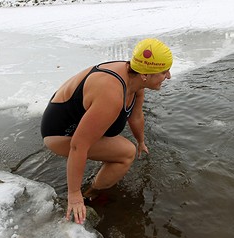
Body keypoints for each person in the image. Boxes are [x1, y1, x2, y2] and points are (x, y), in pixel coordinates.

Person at [41, 38, 173, 224]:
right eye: (164, 71)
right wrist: (75, 195)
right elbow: (79, 146)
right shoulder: (111, 95)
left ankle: (94, 185)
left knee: (128, 146)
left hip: (79, 119)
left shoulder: (135, 78)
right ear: (145, 74)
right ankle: (91, 194)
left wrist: (141, 141)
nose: (169, 76)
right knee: (127, 153)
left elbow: (135, 116)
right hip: (59, 132)